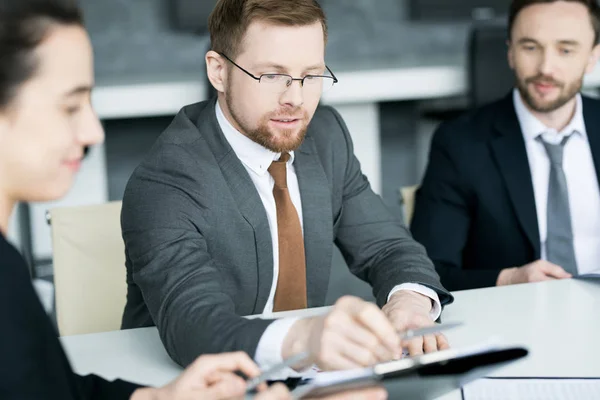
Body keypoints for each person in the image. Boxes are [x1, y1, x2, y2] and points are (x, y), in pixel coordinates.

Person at [120, 0, 454, 375]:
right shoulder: (166, 180)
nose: (295, 98)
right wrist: (303, 339)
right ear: (218, 71)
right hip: (193, 385)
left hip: (307, 380)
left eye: (311, 76)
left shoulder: (325, 137)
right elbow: (195, 325)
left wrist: (408, 302)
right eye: (272, 76)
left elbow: (387, 246)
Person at [0, 0, 295, 399]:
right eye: (70, 106)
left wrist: (160, 397)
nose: (93, 132)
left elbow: (50, 389)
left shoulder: (8, 266)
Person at [411, 0, 600, 291]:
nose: (546, 68)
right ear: (510, 52)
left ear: (592, 56)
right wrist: (509, 279)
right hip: (519, 317)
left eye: (565, 50)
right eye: (530, 47)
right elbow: (428, 270)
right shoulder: (460, 143)